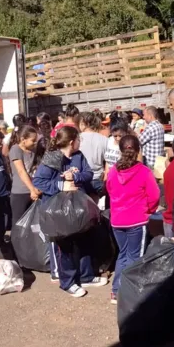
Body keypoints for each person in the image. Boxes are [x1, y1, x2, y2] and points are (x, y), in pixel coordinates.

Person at [33, 126, 106, 296]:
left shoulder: (79, 156)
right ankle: (68, 282)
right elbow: (38, 181)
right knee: (65, 247)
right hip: (58, 211)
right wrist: (60, 185)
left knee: (85, 240)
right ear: (72, 142)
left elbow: (88, 174)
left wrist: (75, 177)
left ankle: (86, 276)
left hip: (79, 207)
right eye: (79, 139)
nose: (81, 142)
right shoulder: (53, 158)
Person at [106, 135, 160, 304]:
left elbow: (109, 189)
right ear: (138, 151)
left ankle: (116, 290)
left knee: (123, 254)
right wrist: (149, 211)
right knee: (135, 256)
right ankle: (130, 292)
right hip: (136, 220)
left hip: (117, 220)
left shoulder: (114, 170)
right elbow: (155, 195)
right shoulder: (143, 171)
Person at [9, 125, 42, 225]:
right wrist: (32, 189)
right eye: (33, 140)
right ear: (23, 139)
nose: (35, 142)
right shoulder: (16, 149)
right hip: (21, 192)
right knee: (19, 222)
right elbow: (21, 171)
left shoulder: (33, 150)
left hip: (34, 191)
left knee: (33, 222)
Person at [78, 111, 108, 196]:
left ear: (83, 124)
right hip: (99, 178)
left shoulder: (77, 139)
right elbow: (108, 161)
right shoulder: (104, 139)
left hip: (82, 179)